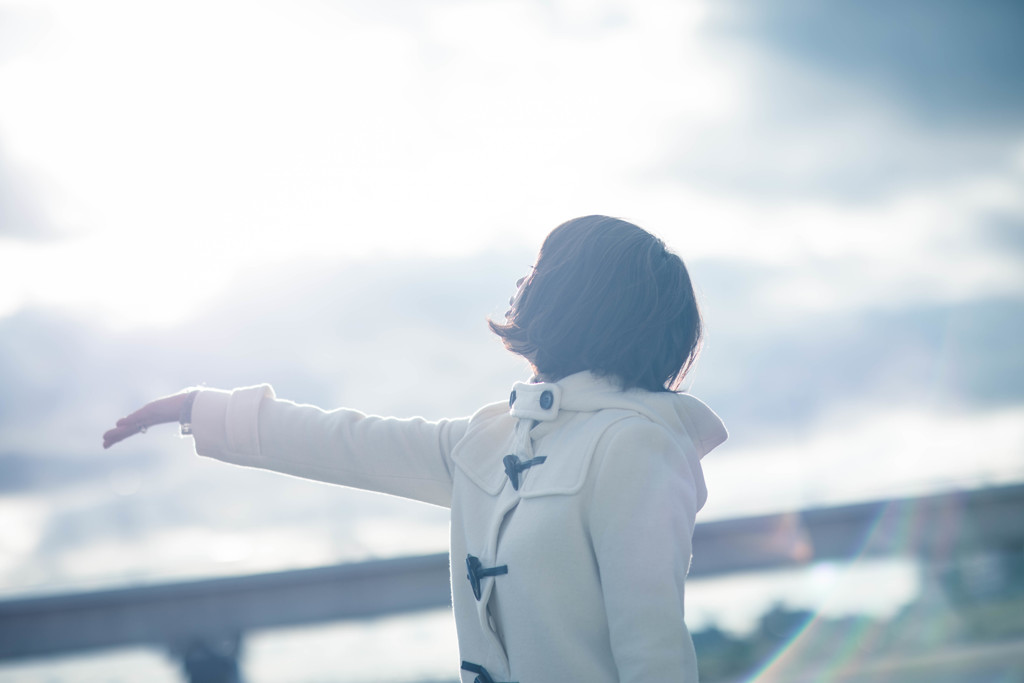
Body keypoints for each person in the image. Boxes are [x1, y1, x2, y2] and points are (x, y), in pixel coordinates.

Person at [103, 215, 727, 683]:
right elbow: (351, 443)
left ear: (579, 302)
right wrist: (198, 409)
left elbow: (654, 654)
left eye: (541, 273)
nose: (524, 286)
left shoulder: (635, 446)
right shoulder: (497, 437)